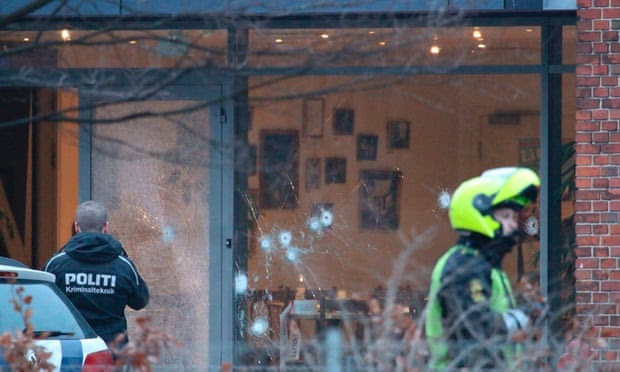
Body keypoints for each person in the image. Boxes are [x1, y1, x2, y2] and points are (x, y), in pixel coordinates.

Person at [425, 167, 540, 370]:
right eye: (505, 217)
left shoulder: (484, 265)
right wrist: (522, 317)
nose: (513, 225)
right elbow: (475, 331)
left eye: (513, 218)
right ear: (478, 214)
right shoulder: (464, 266)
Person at [44, 200, 149, 346]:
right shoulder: (123, 266)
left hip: (72, 349)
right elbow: (140, 301)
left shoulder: (56, 264)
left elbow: (44, 305)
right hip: (113, 351)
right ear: (106, 227)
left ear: (76, 227)